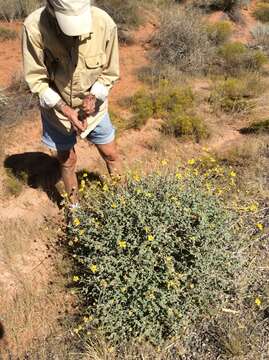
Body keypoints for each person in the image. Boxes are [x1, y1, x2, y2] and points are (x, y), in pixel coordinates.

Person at [22, 0, 121, 202]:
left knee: (110, 153)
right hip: (57, 111)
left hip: (96, 109)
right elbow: (37, 80)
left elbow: (110, 72)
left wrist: (93, 97)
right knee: (67, 161)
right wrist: (66, 110)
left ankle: (125, 198)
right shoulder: (34, 27)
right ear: (51, 9)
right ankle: (74, 210)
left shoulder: (104, 23)